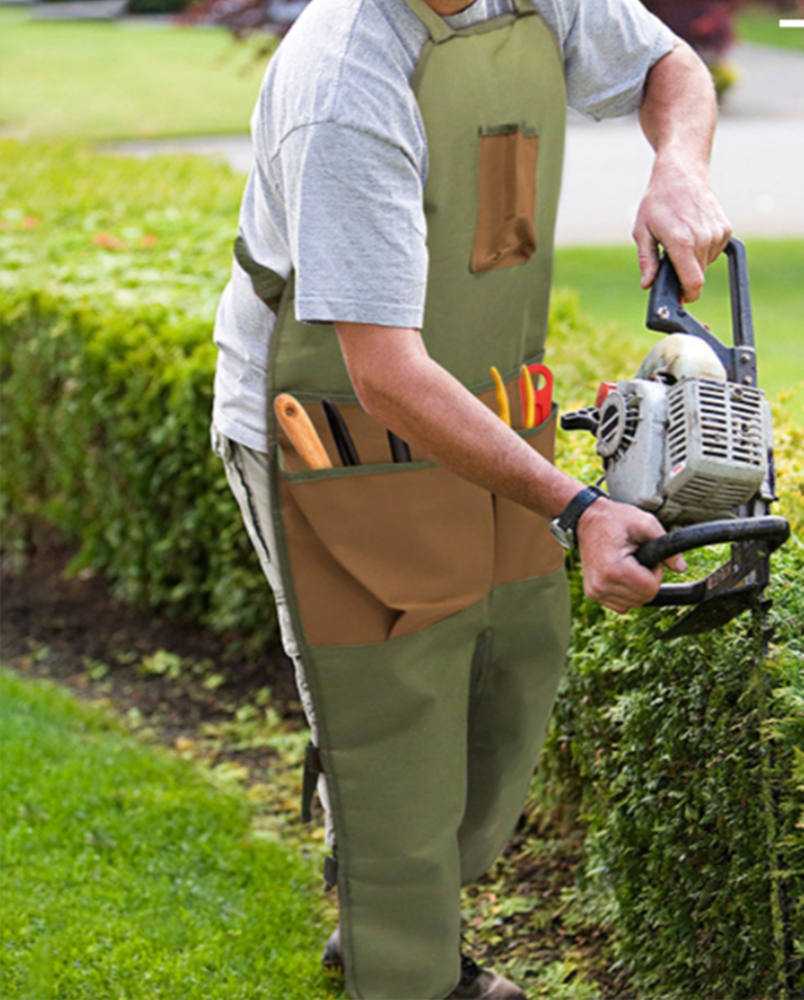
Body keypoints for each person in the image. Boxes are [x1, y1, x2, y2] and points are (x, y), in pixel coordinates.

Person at [210, 0, 731, 995]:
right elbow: (385, 375)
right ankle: (410, 963)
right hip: (333, 429)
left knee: (507, 672)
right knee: (389, 699)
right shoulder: (345, 81)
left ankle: (390, 886)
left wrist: (679, 168)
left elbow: (672, 66)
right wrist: (579, 510)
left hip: (487, 407)